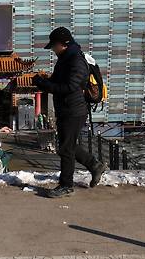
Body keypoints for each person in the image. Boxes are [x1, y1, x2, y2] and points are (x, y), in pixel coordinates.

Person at [32, 27, 107, 198]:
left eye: (54, 46)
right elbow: (59, 81)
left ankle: (66, 185)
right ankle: (94, 165)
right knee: (68, 146)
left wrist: (44, 85)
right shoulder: (66, 58)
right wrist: (43, 81)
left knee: (66, 149)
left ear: (62, 44)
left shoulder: (75, 60)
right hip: (67, 109)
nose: (53, 50)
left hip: (74, 110)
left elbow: (69, 87)